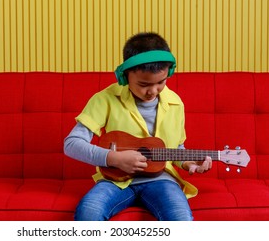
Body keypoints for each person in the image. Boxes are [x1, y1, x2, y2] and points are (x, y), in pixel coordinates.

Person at [64, 32, 212, 221]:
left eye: (161, 82)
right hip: (114, 181)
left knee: (181, 218)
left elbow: (176, 149)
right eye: (143, 84)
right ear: (125, 77)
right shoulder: (105, 99)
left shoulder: (176, 103)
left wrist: (188, 163)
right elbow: (71, 144)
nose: (153, 91)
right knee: (88, 212)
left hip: (161, 180)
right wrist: (114, 158)